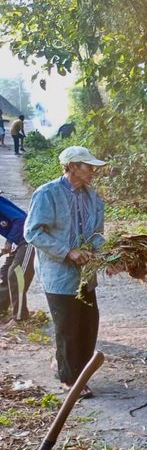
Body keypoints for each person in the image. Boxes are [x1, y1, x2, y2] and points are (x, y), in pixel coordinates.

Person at [24, 146, 108, 399]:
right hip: (58, 273)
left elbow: (96, 236)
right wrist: (67, 251)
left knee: (88, 322)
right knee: (68, 326)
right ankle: (71, 380)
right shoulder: (47, 194)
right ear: (72, 167)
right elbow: (33, 232)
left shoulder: (92, 196)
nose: (93, 171)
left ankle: (69, 366)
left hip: (85, 273)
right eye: (88, 166)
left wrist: (108, 258)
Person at [0, 193, 36, 323]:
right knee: (4, 274)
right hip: (17, 241)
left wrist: (10, 241)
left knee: (16, 275)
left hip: (28, 238)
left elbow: (21, 219)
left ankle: (20, 318)